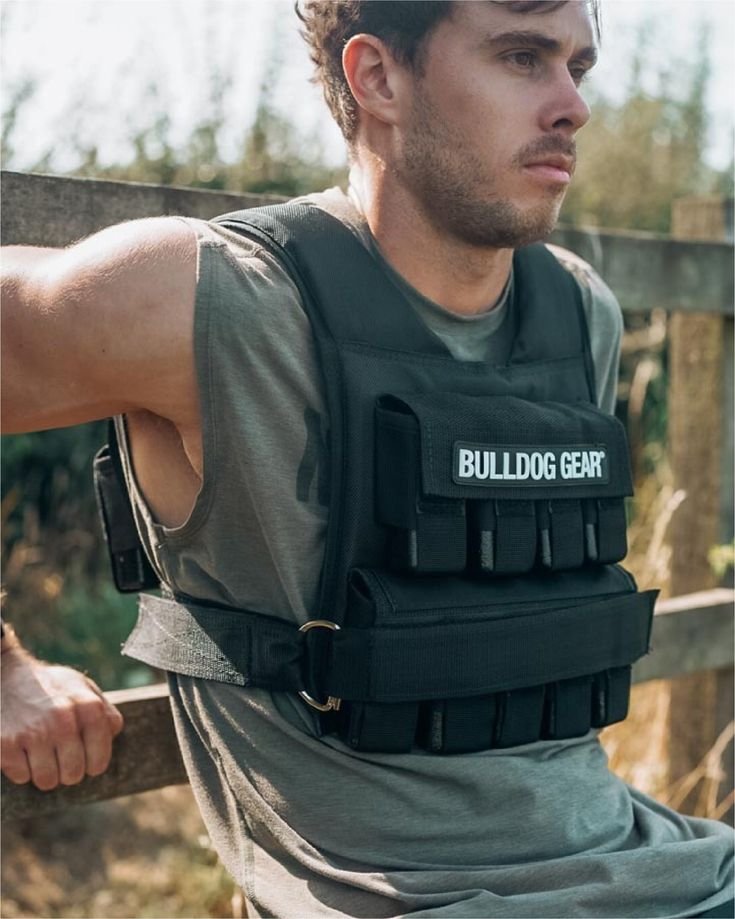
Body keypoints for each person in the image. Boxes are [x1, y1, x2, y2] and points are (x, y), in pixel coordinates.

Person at [2, 2, 733, 916]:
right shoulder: (220, 301)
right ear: (378, 78)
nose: (570, 106)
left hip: (673, 869)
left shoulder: (578, 312)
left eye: (576, 69)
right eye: (520, 57)